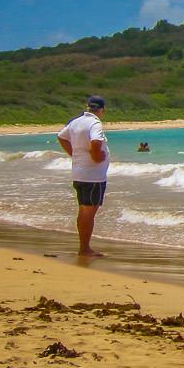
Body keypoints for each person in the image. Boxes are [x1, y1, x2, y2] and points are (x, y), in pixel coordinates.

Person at [57, 95, 110, 257]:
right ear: (102, 110)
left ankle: (84, 246)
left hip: (79, 173)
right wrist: (96, 156)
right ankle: (84, 248)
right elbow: (95, 141)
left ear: (87, 106)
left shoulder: (76, 121)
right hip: (93, 176)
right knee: (88, 211)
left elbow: (61, 136)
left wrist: (75, 154)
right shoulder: (94, 123)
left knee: (83, 209)